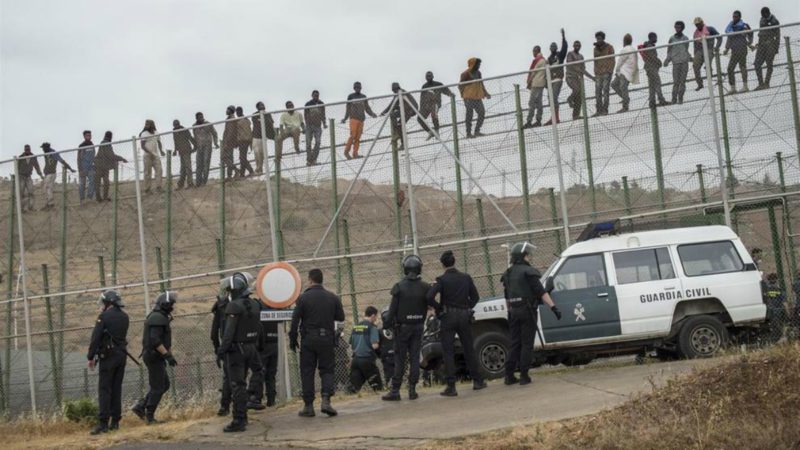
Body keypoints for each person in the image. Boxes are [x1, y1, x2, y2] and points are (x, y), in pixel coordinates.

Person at [426, 250, 487, 397]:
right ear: (454, 262)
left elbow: (429, 297)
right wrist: (467, 307)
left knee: (448, 351)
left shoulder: (441, 280)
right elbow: (476, 297)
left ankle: (451, 386)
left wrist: (440, 309)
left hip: (448, 317)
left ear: (443, 264)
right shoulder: (466, 278)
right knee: (468, 348)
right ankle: (477, 381)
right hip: (464, 315)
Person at [500, 243, 561, 386]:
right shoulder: (529, 272)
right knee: (527, 344)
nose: (529, 257)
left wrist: (510, 312)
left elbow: (507, 297)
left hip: (514, 312)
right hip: (527, 311)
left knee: (514, 343)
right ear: (523, 256)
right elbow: (541, 292)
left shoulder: (507, 274)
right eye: (528, 254)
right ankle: (524, 376)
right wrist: (553, 308)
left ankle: (509, 376)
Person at [289, 268, 345, 417]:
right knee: (327, 370)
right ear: (321, 280)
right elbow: (340, 317)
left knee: (307, 371)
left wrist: (293, 339)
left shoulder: (303, 298)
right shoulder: (332, 297)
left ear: (310, 280)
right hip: (326, 338)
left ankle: (308, 406)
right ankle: (326, 400)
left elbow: (295, 320)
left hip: (308, 339)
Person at [382, 255, 436, 401]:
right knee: (414, 357)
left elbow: (392, 310)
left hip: (402, 329)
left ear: (405, 269)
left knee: (400, 358)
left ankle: (395, 390)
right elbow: (432, 303)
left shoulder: (399, 287)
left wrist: (386, 324)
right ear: (419, 269)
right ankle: (412, 390)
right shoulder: (425, 287)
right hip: (418, 326)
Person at [217, 272, 263, 432]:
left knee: (237, 385)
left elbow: (229, 333)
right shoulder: (255, 304)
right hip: (251, 347)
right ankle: (252, 398)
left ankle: (239, 420)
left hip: (237, 349)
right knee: (258, 371)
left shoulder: (234, 306)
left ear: (234, 291)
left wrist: (221, 351)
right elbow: (259, 328)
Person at [86, 290, 129, 434]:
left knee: (105, 390)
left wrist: (90, 357)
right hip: (121, 356)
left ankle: (103, 423)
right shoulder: (125, 317)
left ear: (108, 303)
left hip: (108, 357)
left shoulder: (103, 317)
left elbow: (96, 337)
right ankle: (115, 422)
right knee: (117, 388)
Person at [132, 291, 177, 425]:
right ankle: (149, 416)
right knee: (158, 387)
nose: (173, 307)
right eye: (171, 304)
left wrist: (168, 355)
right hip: (153, 356)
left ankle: (141, 407)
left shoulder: (160, 317)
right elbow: (155, 340)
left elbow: (162, 340)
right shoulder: (157, 318)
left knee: (164, 385)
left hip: (156, 356)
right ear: (165, 304)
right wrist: (167, 356)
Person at [248, 302, 279, 409]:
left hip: (263, 345)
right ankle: (271, 400)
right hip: (275, 343)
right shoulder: (277, 307)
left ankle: (256, 398)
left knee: (260, 372)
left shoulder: (258, 308)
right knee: (271, 374)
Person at [381, 82, 427, 150]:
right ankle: (397, 132)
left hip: (410, 110)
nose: (394, 91)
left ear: (397, 88)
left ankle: (402, 142)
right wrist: (384, 112)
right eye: (394, 90)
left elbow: (391, 105)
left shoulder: (400, 92)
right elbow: (394, 105)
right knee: (393, 114)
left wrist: (383, 112)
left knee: (400, 125)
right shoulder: (399, 93)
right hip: (405, 109)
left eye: (395, 90)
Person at [348, 306, 382, 393]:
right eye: (376, 316)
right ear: (373, 315)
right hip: (367, 359)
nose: (376, 318)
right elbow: (375, 345)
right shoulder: (372, 327)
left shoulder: (356, 327)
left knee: (354, 388)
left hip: (356, 360)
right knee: (378, 387)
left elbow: (352, 344)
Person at [341, 82, 377, 159]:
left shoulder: (364, 96)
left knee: (357, 138)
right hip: (353, 119)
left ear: (361, 88)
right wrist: (345, 118)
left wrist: (372, 114)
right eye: (356, 87)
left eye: (359, 87)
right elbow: (348, 108)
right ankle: (346, 152)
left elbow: (367, 108)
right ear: (354, 88)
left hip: (361, 119)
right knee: (353, 136)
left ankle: (355, 154)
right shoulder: (350, 96)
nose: (357, 89)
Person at [210, 290, 232, 416]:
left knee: (228, 377)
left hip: (225, 347)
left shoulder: (219, 309)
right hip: (243, 345)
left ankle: (224, 407)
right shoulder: (240, 304)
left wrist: (218, 350)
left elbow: (213, 334)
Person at [459, 58, 491, 138]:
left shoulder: (478, 73)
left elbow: (481, 83)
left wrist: (486, 93)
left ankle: (477, 131)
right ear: (473, 64)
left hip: (477, 97)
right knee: (469, 115)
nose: (479, 66)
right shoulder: (465, 74)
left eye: (479, 64)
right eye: (477, 64)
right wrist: (464, 95)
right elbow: (460, 85)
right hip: (468, 97)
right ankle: (468, 133)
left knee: (482, 112)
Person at [723, 10, 753, 94]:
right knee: (730, 68)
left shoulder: (744, 26)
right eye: (733, 16)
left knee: (742, 67)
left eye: (736, 16)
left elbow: (750, 34)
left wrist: (750, 43)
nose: (734, 18)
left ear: (740, 17)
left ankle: (745, 86)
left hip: (742, 49)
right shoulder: (731, 27)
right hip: (734, 50)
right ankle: (733, 88)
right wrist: (727, 48)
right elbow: (729, 37)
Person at [418, 71, 454, 138]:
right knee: (419, 118)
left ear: (433, 76)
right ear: (425, 78)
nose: (429, 77)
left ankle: (437, 131)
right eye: (427, 76)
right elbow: (422, 98)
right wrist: (421, 108)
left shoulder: (438, 84)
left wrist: (450, 94)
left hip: (435, 103)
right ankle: (430, 131)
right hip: (426, 105)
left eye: (430, 76)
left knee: (433, 113)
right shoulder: (424, 86)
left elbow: (445, 90)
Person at [40, 142, 75, 210]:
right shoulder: (46, 154)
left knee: (48, 188)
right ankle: (48, 203)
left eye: (43, 148)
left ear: (47, 147)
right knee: (46, 188)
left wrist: (70, 168)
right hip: (47, 173)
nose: (43, 149)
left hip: (51, 173)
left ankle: (50, 204)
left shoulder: (53, 153)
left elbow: (61, 160)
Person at [565, 40, 594, 120]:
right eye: (576, 45)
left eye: (578, 45)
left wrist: (592, 77)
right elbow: (571, 65)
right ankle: (569, 99)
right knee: (576, 89)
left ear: (580, 46)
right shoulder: (570, 54)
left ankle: (575, 115)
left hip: (577, 78)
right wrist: (580, 70)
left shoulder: (581, 57)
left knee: (579, 96)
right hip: (570, 77)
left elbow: (583, 70)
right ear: (573, 46)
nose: (577, 46)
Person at [545, 29, 568, 125]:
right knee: (550, 98)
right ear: (550, 48)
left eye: (554, 46)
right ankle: (553, 117)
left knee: (554, 97)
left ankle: (556, 118)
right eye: (552, 47)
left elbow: (565, 47)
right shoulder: (549, 59)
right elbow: (547, 72)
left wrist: (563, 36)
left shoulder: (560, 55)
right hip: (551, 81)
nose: (553, 48)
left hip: (558, 79)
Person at [692, 17, 722, 91]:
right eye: (696, 25)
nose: (697, 26)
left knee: (708, 65)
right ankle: (700, 84)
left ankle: (710, 80)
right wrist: (695, 54)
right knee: (695, 66)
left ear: (702, 22)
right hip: (699, 50)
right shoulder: (695, 34)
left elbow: (719, 37)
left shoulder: (710, 29)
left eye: (699, 24)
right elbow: (695, 44)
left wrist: (717, 47)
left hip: (709, 48)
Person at [95, 132, 127, 202]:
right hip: (100, 166)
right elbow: (111, 155)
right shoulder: (106, 143)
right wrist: (122, 158)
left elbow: (110, 156)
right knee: (102, 183)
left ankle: (101, 198)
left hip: (102, 166)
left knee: (104, 183)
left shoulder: (104, 143)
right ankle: (101, 198)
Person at [640, 33, 670, 108]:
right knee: (657, 83)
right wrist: (659, 63)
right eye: (655, 37)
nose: (656, 39)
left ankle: (652, 102)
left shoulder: (648, 45)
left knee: (652, 85)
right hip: (651, 68)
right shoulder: (650, 46)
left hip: (649, 68)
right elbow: (653, 57)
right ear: (651, 38)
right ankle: (661, 100)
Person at [754, 7, 780, 90]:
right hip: (761, 44)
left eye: (765, 14)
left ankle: (767, 83)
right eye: (762, 14)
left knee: (769, 64)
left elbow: (778, 35)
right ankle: (761, 84)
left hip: (770, 44)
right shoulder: (761, 19)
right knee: (757, 64)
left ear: (767, 13)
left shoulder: (774, 21)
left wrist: (776, 47)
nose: (763, 16)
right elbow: (761, 32)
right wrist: (758, 43)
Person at [611, 33, 639, 113]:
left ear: (624, 41)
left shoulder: (625, 50)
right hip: (628, 71)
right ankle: (625, 98)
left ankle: (625, 106)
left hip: (624, 71)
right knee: (615, 85)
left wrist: (617, 70)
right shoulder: (633, 49)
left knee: (622, 87)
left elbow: (620, 61)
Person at [665, 21, 691, 104]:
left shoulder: (686, 38)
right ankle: (674, 99)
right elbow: (669, 51)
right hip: (675, 62)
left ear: (682, 28)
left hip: (684, 62)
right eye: (676, 27)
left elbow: (686, 49)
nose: (677, 29)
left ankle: (680, 98)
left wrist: (689, 57)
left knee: (682, 82)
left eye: (679, 27)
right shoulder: (672, 39)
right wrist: (667, 60)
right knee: (676, 82)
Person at [192, 112, 219, 186]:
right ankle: (198, 182)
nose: (201, 118)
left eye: (202, 117)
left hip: (207, 146)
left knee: (206, 163)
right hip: (199, 147)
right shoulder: (194, 126)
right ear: (196, 118)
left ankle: (204, 182)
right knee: (198, 164)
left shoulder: (208, 124)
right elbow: (195, 137)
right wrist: (195, 147)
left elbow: (214, 133)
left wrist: (215, 143)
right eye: (199, 117)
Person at [524, 46, 548, 128]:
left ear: (536, 51)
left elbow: (532, 72)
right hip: (541, 83)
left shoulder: (537, 60)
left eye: (534, 51)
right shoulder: (545, 60)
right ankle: (538, 120)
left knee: (531, 102)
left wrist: (529, 82)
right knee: (539, 102)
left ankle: (529, 121)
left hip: (536, 83)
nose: (533, 53)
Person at [139, 120, 165, 194]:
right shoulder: (144, 134)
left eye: (149, 124)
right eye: (146, 124)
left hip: (156, 155)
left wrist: (161, 151)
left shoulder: (156, 133)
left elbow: (159, 142)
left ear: (152, 125)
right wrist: (150, 152)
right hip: (147, 155)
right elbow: (142, 146)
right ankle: (147, 189)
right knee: (147, 172)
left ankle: (159, 187)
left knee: (159, 170)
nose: (147, 125)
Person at [592, 32, 615, 116]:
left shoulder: (609, 47)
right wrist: (595, 71)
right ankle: (598, 110)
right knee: (597, 91)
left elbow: (612, 59)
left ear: (603, 38)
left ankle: (605, 110)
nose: (598, 40)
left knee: (605, 90)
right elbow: (595, 61)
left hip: (606, 72)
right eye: (597, 38)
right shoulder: (595, 49)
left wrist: (610, 71)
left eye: (600, 38)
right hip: (598, 73)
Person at [17, 145, 43, 213]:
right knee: (21, 193)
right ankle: (21, 208)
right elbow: (17, 167)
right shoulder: (20, 157)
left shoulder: (33, 157)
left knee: (31, 191)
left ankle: (31, 207)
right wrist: (17, 176)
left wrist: (40, 174)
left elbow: (36, 166)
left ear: (30, 149)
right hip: (21, 176)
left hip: (28, 176)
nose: (27, 151)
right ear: (24, 150)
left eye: (28, 149)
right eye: (26, 150)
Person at [304, 90, 327, 166]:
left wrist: (324, 123)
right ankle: (309, 160)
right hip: (309, 126)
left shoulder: (321, 103)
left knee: (318, 142)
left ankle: (314, 159)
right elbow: (306, 115)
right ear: (312, 96)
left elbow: (323, 114)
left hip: (318, 126)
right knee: (308, 143)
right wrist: (307, 125)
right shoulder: (308, 104)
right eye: (315, 95)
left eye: (317, 95)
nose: (316, 97)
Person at [251, 102, 275, 174]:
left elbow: (270, 123)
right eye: (261, 105)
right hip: (256, 136)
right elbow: (257, 123)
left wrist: (264, 120)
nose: (263, 106)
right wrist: (263, 121)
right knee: (256, 152)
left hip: (263, 137)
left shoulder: (267, 114)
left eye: (263, 105)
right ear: (257, 107)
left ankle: (260, 169)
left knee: (262, 153)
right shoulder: (255, 115)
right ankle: (258, 167)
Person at [172, 120, 196, 189]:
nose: (176, 126)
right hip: (181, 151)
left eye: (177, 124)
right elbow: (175, 141)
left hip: (186, 150)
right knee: (182, 168)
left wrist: (195, 146)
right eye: (175, 125)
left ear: (179, 124)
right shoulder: (174, 131)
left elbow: (190, 137)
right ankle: (181, 184)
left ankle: (190, 183)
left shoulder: (184, 130)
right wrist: (175, 150)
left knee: (188, 167)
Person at [77, 130, 96, 203]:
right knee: (82, 184)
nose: (89, 136)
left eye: (90, 135)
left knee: (92, 181)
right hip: (83, 168)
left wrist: (94, 165)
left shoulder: (92, 145)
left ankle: (89, 197)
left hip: (91, 167)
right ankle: (82, 199)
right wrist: (80, 169)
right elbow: (79, 158)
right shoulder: (81, 146)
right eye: (87, 135)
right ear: (84, 136)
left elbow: (94, 155)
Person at [236, 106, 255, 177]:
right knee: (242, 157)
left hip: (243, 140)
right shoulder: (247, 120)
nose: (237, 113)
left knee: (242, 157)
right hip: (247, 140)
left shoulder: (239, 121)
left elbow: (239, 132)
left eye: (238, 112)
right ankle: (242, 173)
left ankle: (250, 170)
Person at [378, 307, 395, 387]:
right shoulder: (398, 329)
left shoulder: (380, 331)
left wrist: (380, 354)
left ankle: (389, 385)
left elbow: (377, 346)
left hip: (386, 355)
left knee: (388, 374)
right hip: (397, 353)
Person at [221, 106, 238, 180]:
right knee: (230, 158)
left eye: (227, 109)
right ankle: (229, 176)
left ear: (230, 111)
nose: (226, 111)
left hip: (229, 142)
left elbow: (230, 132)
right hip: (230, 141)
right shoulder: (230, 119)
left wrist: (226, 143)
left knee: (224, 157)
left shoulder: (231, 119)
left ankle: (236, 170)